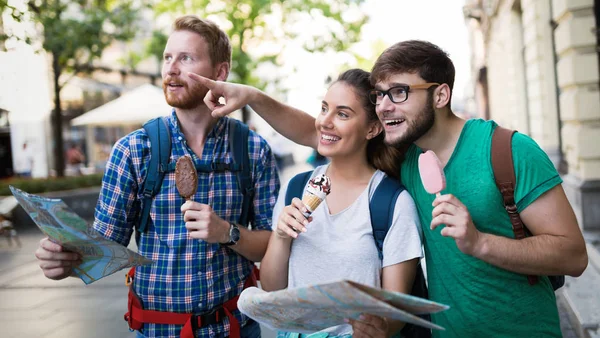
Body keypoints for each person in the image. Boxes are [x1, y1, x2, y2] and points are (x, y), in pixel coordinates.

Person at [188, 40, 588, 337]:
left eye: (399, 93)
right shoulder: (408, 159)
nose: (385, 105)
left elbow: (573, 256)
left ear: (441, 94)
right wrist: (252, 96)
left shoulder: (508, 150)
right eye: (380, 96)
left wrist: (481, 242)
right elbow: (322, 130)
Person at [34, 15, 280, 338]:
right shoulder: (133, 151)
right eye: (167, 57)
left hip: (236, 328)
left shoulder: (252, 150)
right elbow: (104, 249)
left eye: (186, 58)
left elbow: (272, 247)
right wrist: (63, 260)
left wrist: (226, 231)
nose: (170, 69)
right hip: (159, 331)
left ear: (219, 73)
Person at [258, 69, 423, 338]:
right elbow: (272, 290)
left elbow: (394, 315)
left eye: (342, 114)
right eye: (324, 109)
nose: (325, 121)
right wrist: (280, 235)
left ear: (372, 128)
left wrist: (376, 328)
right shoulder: (296, 189)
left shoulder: (393, 203)